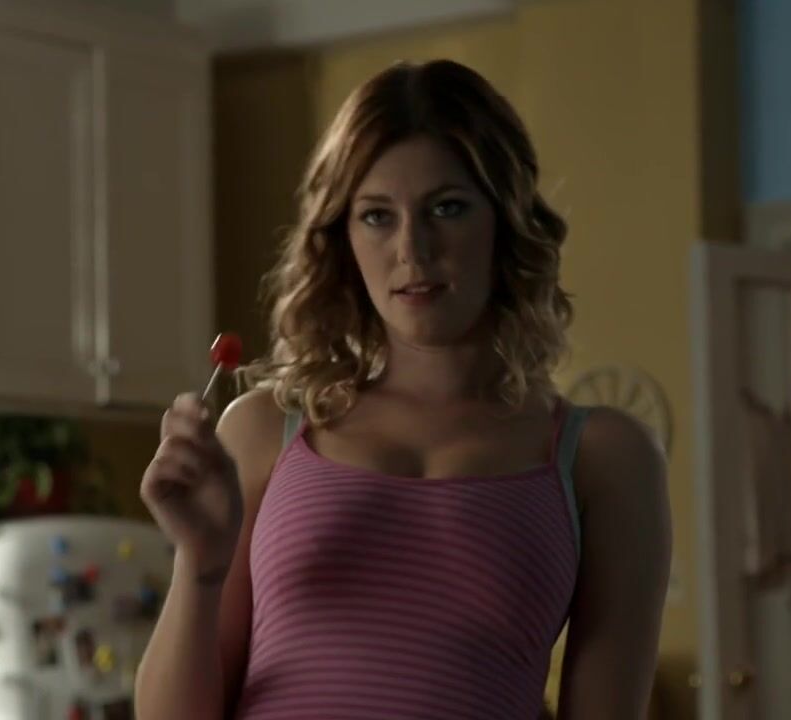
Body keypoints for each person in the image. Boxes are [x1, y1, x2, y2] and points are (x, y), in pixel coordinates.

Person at [134, 59, 671, 720]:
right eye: (377, 216)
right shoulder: (262, 429)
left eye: (447, 208)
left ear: (505, 222)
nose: (412, 249)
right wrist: (200, 561)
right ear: (342, 238)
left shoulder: (603, 458)